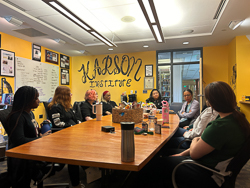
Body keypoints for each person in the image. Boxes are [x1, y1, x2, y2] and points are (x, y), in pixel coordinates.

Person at [129, 81, 250, 188]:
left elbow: (194, 153)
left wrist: (197, 139)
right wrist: (183, 152)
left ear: (212, 101)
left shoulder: (220, 126)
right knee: (162, 157)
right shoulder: (237, 119)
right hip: (210, 164)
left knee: (150, 166)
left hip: (206, 172)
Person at [6, 86, 51, 187]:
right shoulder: (17, 117)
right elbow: (19, 140)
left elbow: (30, 133)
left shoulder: (29, 114)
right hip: (23, 160)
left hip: (32, 152)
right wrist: (41, 139)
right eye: (36, 98)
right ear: (26, 100)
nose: (38, 101)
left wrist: (40, 134)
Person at [47, 86, 84, 188]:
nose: (71, 96)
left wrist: (79, 124)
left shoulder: (67, 107)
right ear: (64, 95)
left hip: (72, 135)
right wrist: (72, 126)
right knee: (74, 156)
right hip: (62, 139)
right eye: (69, 94)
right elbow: (57, 124)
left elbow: (75, 118)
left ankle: (92, 173)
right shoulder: (55, 107)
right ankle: (76, 184)